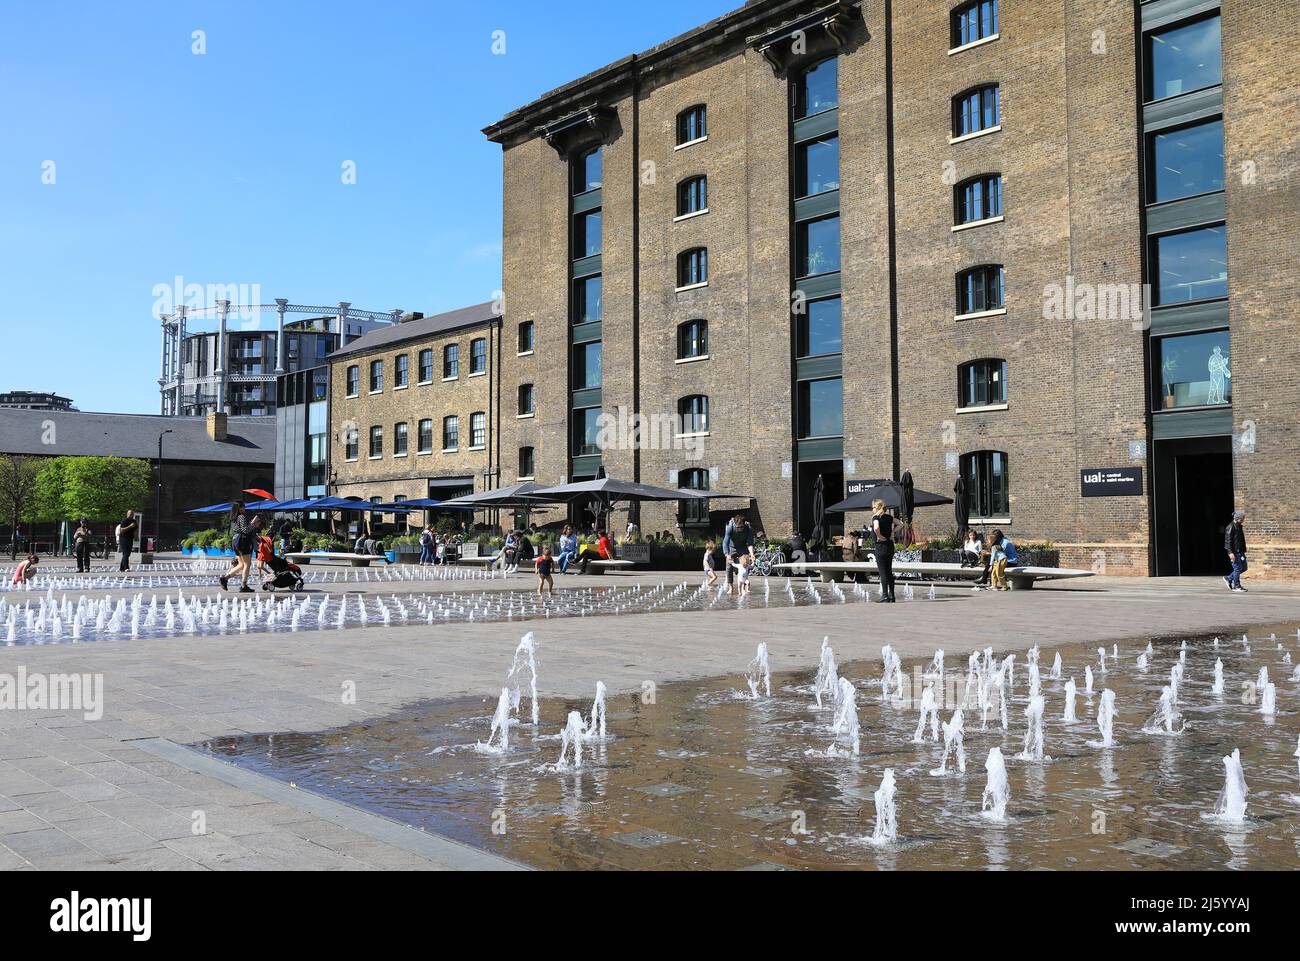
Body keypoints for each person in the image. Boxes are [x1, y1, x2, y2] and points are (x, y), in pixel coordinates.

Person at [219, 502, 256, 593]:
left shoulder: (233, 518)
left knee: (241, 564)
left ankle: (225, 579)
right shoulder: (241, 517)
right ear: (239, 508)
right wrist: (253, 523)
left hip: (235, 541)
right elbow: (245, 530)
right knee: (247, 564)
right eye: (243, 507)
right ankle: (244, 585)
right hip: (243, 541)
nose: (244, 509)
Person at [871, 499, 896, 603]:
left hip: (881, 546)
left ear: (877, 508)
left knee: (883, 572)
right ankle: (892, 596)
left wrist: (880, 536)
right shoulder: (889, 517)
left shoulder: (876, 517)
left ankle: (885, 596)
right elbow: (901, 523)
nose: (872, 509)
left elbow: (876, 527)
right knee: (889, 571)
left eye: (873, 507)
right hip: (890, 546)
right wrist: (892, 532)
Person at [1224, 509, 1248, 593]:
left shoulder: (1239, 526)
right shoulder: (1230, 527)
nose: (1243, 520)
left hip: (1240, 551)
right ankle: (1237, 586)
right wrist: (1230, 553)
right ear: (1238, 518)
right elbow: (1228, 541)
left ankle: (1229, 578)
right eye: (1242, 518)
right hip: (1234, 552)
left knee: (1244, 568)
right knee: (1237, 569)